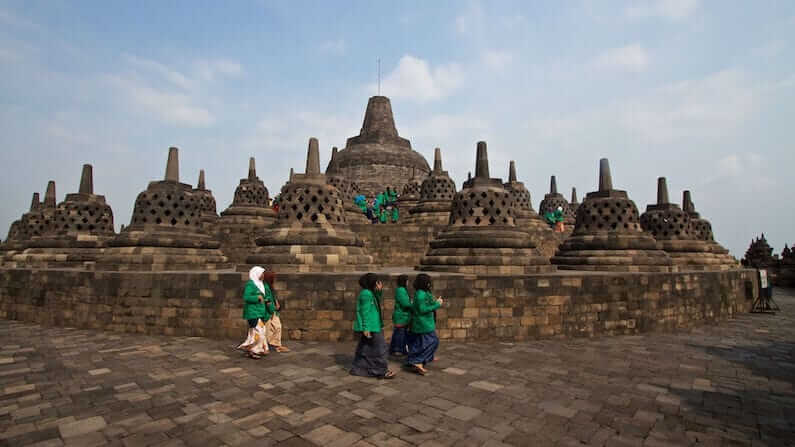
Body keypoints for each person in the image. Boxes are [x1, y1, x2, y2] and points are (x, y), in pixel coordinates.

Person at [351, 273, 396, 379]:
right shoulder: (366, 294)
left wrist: (379, 291)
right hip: (371, 327)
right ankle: (381, 371)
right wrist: (366, 328)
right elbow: (364, 312)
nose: (378, 283)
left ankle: (358, 368)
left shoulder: (369, 292)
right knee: (381, 349)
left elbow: (377, 301)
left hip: (373, 325)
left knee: (365, 349)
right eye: (376, 281)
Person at [407, 274, 442, 375]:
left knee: (419, 343)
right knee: (433, 341)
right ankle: (418, 361)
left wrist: (435, 301)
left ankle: (413, 360)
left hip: (423, 323)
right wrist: (437, 305)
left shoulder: (422, 293)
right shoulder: (421, 294)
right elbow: (422, 309)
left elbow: (426, 304)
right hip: (423, 323)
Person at [237, 266, 272, 359]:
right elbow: (246, 297)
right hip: (253, 312)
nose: (263, 275)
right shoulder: (251, 284)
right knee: (259, 331)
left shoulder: (262, 285)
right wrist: (257, 298)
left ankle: (254, 349)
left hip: (260, 312)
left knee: (256, 332)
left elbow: (265, 297)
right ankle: (254, 350)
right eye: (261, 273)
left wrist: (266, 300)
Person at [262, 267, 290, 353]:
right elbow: (267, 300)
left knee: (277, 327)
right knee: (268, 329)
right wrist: (273, 308)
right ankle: (264, 346)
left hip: (273, 311)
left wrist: (276, 303)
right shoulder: (265, 287)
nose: (275, 279)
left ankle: (277, 345)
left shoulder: (270, 287)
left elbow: (273, 297)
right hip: (268, 311)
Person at [389, 275, 411, 356]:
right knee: (400, 333)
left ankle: (396, 348)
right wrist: (412, 304)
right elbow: (405, 303)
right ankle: (397, 349)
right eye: (407, 280)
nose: (408, 282)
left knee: (400, 333)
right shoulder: (401, 290)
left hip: (402, 316)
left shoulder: (401, 290)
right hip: (401, 316)